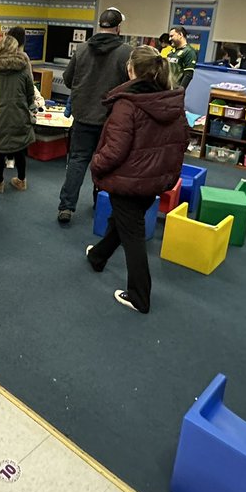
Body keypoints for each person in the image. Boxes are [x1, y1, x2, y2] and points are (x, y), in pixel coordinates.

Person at [85, 47, 187, 314]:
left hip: (128, 179)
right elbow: (180, 142)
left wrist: (96, 163)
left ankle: (140, 296)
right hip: (154, 179)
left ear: (131, 70)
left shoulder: (127, 103)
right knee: (123, 222)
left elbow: (115, 149)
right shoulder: (172, 100)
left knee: (132, 233)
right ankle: (98, 256)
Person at [57, 8, 132, 224]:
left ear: (100, 25)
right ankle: (101, 203)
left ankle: (66, 207)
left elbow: (69, 80)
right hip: (111, 118)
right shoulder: (126, 52)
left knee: (78, 160)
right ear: (118, 28)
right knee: (107, 163)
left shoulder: (81, 50)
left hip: (82, 116)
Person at [0, 26, 35, 194]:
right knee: (20, 148)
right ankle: (21, 180)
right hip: (19, 113)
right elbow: (30, 92)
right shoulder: (23, 66)